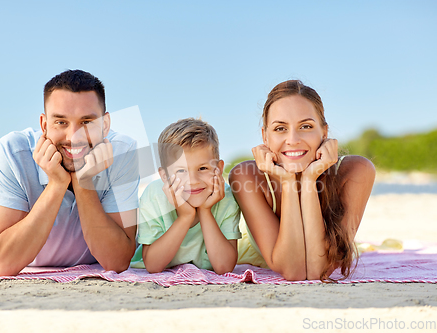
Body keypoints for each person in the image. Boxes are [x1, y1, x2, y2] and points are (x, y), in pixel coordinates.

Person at [0, 69, 139, 276]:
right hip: (0, 234)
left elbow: (118, 261)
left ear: (105, 125)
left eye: (87, 122)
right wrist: (56, 185)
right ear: (44, 125)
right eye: (61, 122)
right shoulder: (11, 151)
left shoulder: (123, 152)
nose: (74, 137)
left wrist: (84, 183)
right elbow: (4, 264)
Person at [229, 80, 375, 281]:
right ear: (265, 136)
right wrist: (288, 182)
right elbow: (294, 271)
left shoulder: (357, 171)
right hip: (266, 255)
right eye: (280, 128)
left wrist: (308, 180)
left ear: (324, 132)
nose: (293, 139)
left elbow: (318, 271)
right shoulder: (246, 175)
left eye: (305, 126)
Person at [130, 118, 241, 275]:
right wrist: (185, 217)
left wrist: (205, 211)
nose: (193, 181)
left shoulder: (226, 197)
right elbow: (153, 266)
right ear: (164, 175)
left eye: (203, 168)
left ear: (219, 168)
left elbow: (224, 267)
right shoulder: (154, 196)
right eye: (181, 171)